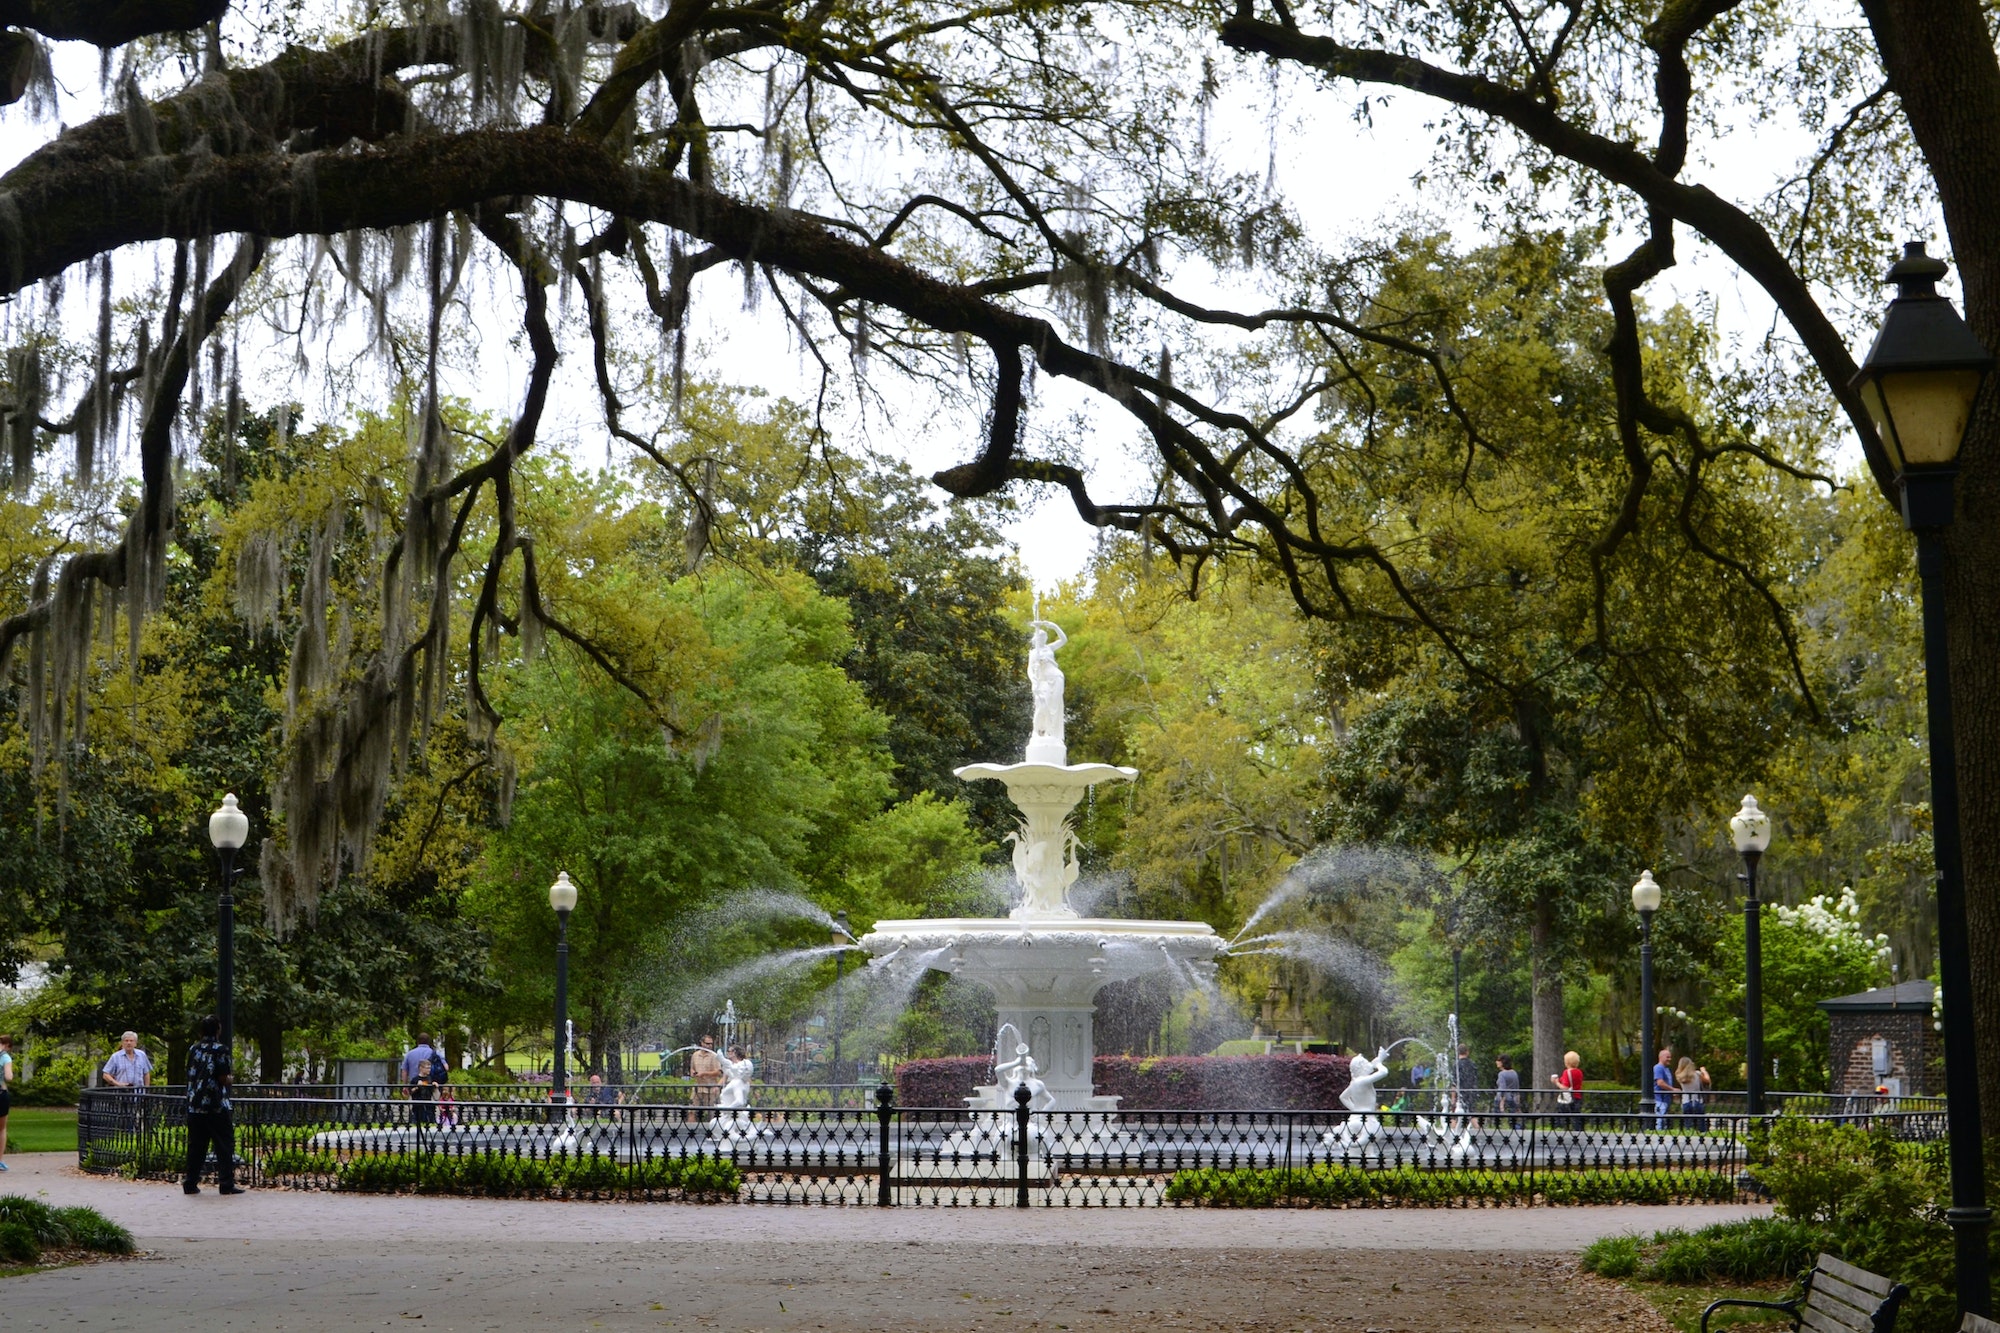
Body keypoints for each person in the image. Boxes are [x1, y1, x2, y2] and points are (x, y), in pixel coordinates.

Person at [182, 1014, 239, 1195]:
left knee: (196, 1146)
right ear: (218, 1030)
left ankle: (190, 1182)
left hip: (195, 1104)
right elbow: (223, 1077)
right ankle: (226, 1184)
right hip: (215, 1105)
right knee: (224, 1144)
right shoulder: (221, 1050)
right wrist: (230, 1079)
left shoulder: (194, 1049)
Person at [689, 1035, 723, 1122]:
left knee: (711, 1113)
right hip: (698, 1087)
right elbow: (692, 1068)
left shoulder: (714, 1056)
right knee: (691, 1110)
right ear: (702, 1043)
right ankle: (690, 1130)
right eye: (707, 1044)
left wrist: (704, 1074)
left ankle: (711, 1131)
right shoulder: (695, 1055)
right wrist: (693, 1072)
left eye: (711, 1044)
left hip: (710, 1088)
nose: (709, 1046)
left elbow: (718, 1072)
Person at [1676, 1055, 1711, 1131]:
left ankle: (1688, 1138)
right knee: (1701, 1123)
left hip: (1686, 1101)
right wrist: (1704, 1071)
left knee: (1688, 1124)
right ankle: (1701, 1138)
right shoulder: (1697, 1074)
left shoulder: (1680, 1077)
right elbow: (1707, 1080)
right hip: (1698, 1100)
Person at [1551, 1051, 1584, 1118]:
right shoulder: (1579, 1072)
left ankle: (1563, 1128)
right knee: (1576, 1117)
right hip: (1578, 1096)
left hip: (1569, 1098)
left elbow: (1565, 1087)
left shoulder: (1566, 1072)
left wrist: (1556, 1083)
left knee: (1564, 1117)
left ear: (1567, 1062)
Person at [1651, 1047, 1675, 1130]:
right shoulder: (1658, 1068)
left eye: (1670, 1057)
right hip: (1659, 1099)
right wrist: (1672, 1089)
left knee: (1664, 1121)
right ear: (1661, 1057)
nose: (1670, 1059)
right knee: (1660, 1121)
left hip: (1666, 1099)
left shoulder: (1667, 1069)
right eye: (1667, 1057)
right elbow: (1660, 1083)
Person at [1493, 1055, 1521, 1123]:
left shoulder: (1502, 1074)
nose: (1496, 1062)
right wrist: (1518, 1102)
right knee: (1513, 1120)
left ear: (1502, 1062)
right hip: (1513, 1099)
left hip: (1502, 1099)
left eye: (1498, 1060)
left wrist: (1501, 1104)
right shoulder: (1514, 1073)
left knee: (1497, 1121)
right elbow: (1517, 1088)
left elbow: (1502, 1089)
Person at [0, 1034, 13, 1172]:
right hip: (1, 1094)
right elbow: (9, 1077)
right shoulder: (5, 1057)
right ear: (8, 1045)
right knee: (1, 1129)